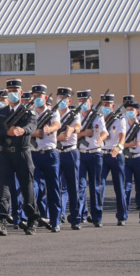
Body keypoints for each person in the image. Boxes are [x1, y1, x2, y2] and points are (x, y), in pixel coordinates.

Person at [0, 79, 43, 236]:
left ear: (21, 92)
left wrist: (22, 130)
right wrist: (7, 132)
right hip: (5, 153)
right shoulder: (0, 113)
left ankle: (32, 219)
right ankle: (2, 220)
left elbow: (32, 126)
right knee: (2, 187)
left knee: (27, 187)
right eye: (10, 91)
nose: (12, 93)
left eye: (15, 91)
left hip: (23, 152)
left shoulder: (28, 112)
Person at [29, 84, 62, 232]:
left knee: (53, 188)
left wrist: (50, 129)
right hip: (34, 153)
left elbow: (56, 124)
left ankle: (55, 221)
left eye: (39, 96)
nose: (37, 98)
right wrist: (35, 133)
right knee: (33, 188)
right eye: (34, 96)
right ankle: (32, 220)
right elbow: (25, 130)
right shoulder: (29, 113)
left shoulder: (52, 112)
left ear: (45, 97)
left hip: (50, 154)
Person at [76, 89, 108, 228]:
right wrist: (84, 133)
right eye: (81, 101)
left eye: (85, 101)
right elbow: (71, 135)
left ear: (91, 102)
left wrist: (101, 137)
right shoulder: (76, 116)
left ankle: (97, 217)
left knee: (95, 186)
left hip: (95, 154)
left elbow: (104, 131)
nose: (83, 103)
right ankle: (81, 214)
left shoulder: (97, 117)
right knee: (80, 186)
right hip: (81, 154)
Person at [55, 88, 82, 230]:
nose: (61, 100)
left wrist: (72, 130)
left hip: (70, 151)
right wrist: (57, 138)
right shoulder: (52, 113)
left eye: (64, 98)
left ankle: (75, 218)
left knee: (73, 186)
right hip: (56, 151)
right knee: (55, 186)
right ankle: (56, 216)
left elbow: (78, 125)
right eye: (59, 98)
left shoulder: (73, 114)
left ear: (69, 101)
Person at [99, 93, 127, 226]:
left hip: (115, 155)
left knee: (119, 186)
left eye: (107, 105)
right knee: (99, 185)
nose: (105, 107)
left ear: (113, 106)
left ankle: (122, 216)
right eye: (103, 104)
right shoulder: (98, 119)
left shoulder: (119, 119)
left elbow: (122, 136)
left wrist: (119, 147)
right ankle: (97, 215)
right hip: (102, 154)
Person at [123, 102, 140, 224]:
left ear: (137, 112)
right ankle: (124, 215)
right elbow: (117, 142)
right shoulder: (122, 124)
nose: (129, 112)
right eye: (128, 109)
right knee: (126, 187)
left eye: (132, 110)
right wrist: (128, 145)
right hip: (127, 159)